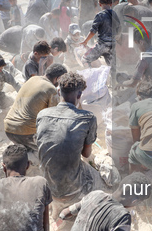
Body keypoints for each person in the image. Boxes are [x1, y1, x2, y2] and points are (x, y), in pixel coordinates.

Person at [36, 72, 104, 210]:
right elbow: (86, 154)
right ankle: (75, 208)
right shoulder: (88, 118)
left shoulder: (42, 115)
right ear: (79, 96)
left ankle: (55, 208)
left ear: (58, 91)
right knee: (101, 179)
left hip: (47, 188)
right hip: (72, 193)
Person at [4, 64, 66, 151]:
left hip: (8, 127)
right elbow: (55, 117)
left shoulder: (32, 79)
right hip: (25, 132)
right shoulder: (51, 89)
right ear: (58, 78)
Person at [119, 31, 152, 100]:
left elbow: (133, 83)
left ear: (141, 42)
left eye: (135, 44)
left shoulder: (144, 58)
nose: (136, 47)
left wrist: (121, 83)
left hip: (149, 97)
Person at [82, 0, 120, 67]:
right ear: (111, 4)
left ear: (100, 4)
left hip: (101, 45)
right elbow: (119, 29)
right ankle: (113, 78)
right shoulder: (115, 14)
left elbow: (93, 31)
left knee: (85, 59)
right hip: (112, 45)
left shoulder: (100, 15)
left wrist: (85, 41)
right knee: (112, 68)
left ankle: (90, 76)